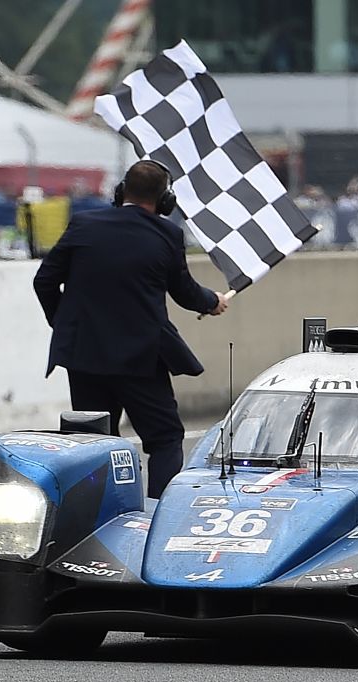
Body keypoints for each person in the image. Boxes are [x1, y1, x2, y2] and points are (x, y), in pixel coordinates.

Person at [33, 160, 229, 498]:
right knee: (165, 439)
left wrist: (65, 324)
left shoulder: (83, 224)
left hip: (85, 356)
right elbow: (184, 292)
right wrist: (211, 301)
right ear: (164, 201)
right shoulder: (167, 233)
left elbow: (44, 281)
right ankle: (156, 516)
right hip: (141, 358)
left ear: (121, 190)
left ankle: (97, 514)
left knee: (93, 442)